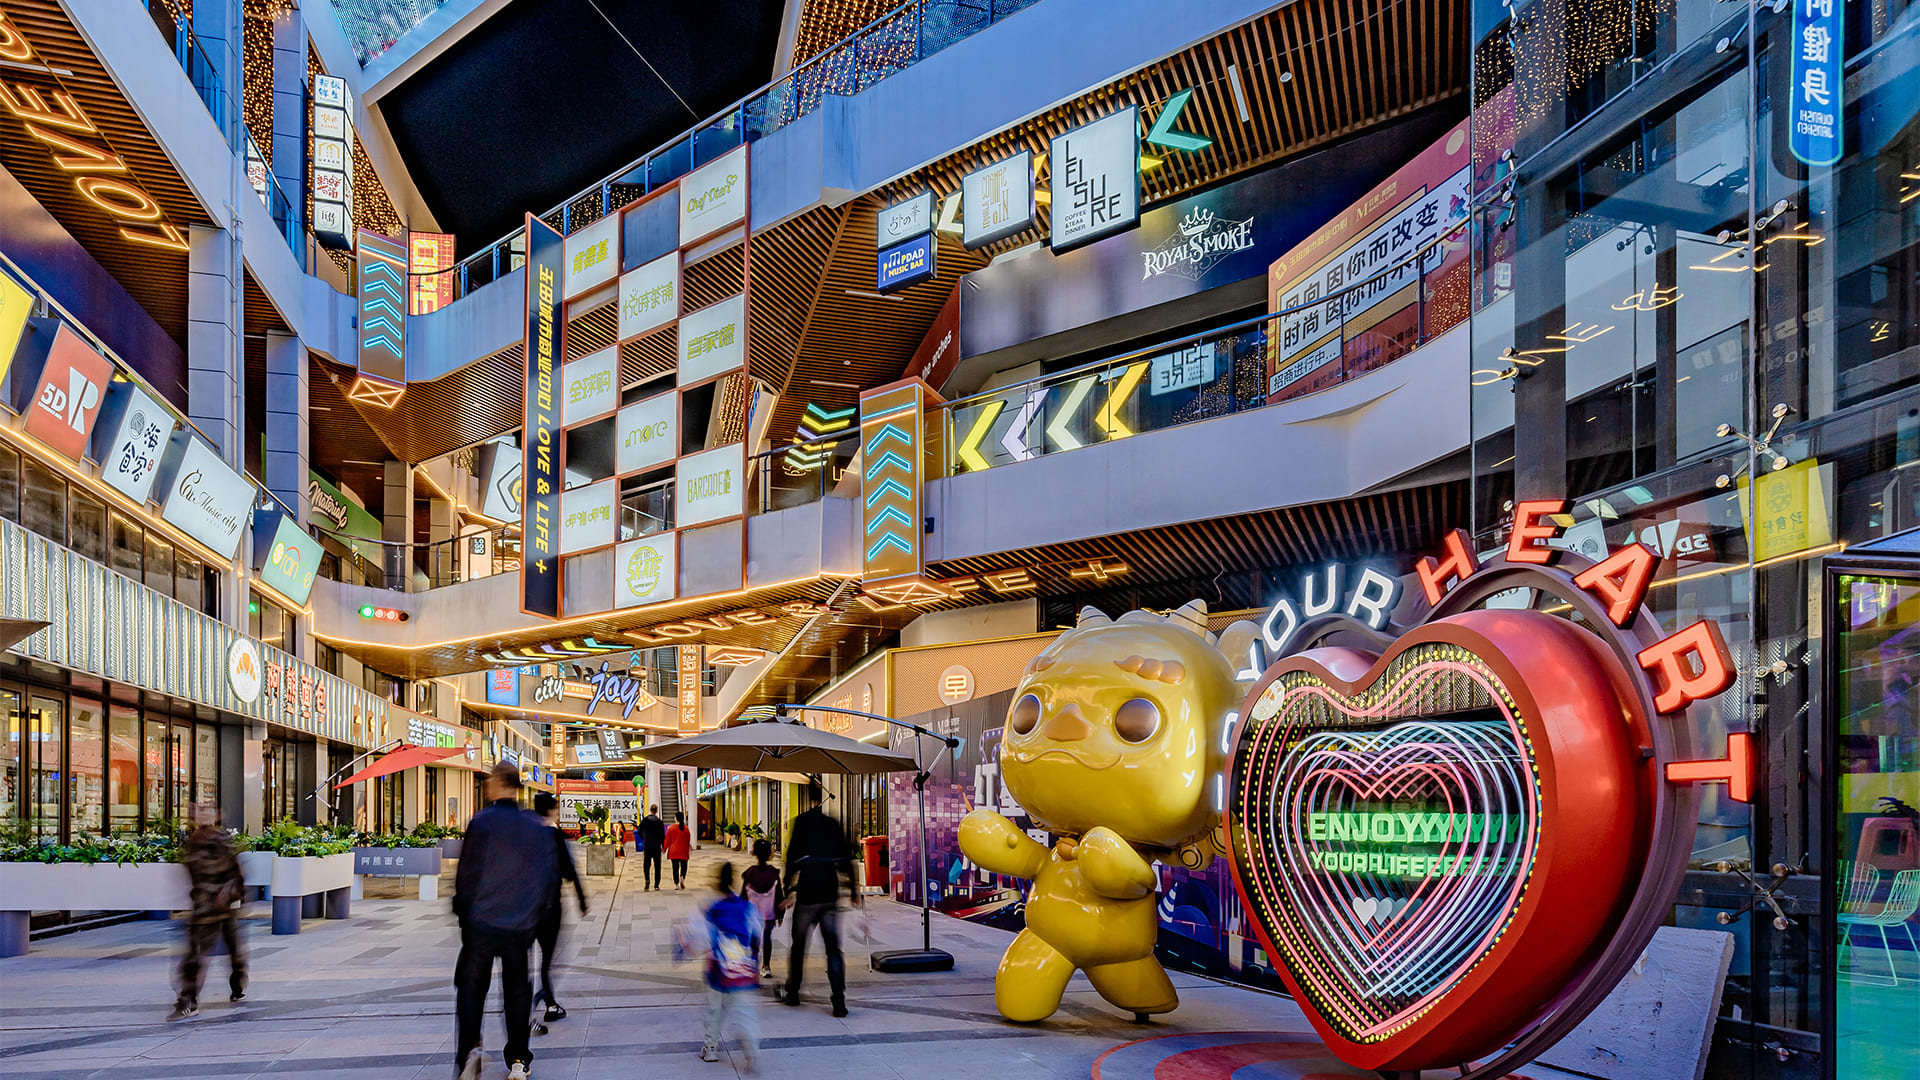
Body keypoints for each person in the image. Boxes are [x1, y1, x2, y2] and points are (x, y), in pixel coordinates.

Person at [452, 762, 557, 1080]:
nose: (487, 785)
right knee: (516, 992)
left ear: (499, 782)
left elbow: (467, 875)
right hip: (519, 925)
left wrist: (464, 914)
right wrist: (534, 916)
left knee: (471, 988)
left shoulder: (481, 822)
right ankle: (518, 1060)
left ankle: (470, 1052)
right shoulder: (533, 825)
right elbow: (544, 876)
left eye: (489, 781)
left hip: (482, 923)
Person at [782, 792, 860, 1016]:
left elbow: (791, 857)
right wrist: (853, 889)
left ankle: (793, 992)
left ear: (809, 801)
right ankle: (839, 1001)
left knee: (798, 946)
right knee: (833, 949)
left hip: (807, 894)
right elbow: (847, 857)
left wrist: (787, 889)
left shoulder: (801, 822)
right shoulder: (832, 824)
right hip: (829, 894)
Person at [170, 804, 245, 1020]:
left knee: (232, 950)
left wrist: (227, 893)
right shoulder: (193, 841)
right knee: (195, 953)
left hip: (220, 906)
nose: (201, 815)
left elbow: (236, 874)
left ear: (216, 816)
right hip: (203, 907)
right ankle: (188, 998)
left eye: (206, 811)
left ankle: (237, 984)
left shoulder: (221, 840)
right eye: (198, 812)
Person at [530, 792, 588, 1024]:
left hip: (524, 909)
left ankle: (534, 1003)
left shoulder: (524, 835)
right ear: (551, 810)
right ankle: (549, 1002)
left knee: (522, 959)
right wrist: (581, 899)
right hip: (550, 907)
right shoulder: (554, 836)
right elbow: (569, 870)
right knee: (548, 959)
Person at [698, 862, 762, 1071]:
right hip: (742, 967)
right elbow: (756, 936)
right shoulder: (747, 907)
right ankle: (752, 1051)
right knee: (744, 1012)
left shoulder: (713, 907)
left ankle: (710, 1049)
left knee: (715, 1010)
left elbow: (703, 937)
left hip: (718, 969)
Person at [741, 839, 783, 978]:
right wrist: (780, 913)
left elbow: (743, 895)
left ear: (754, 853)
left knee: (754, 938)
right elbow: (779, 895)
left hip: (752, 913)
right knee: (767, 938)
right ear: (770, 853)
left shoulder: (749, 873)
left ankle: (753, 963)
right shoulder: (774, 873)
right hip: (769, 913)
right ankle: (766, 966)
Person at [638, 805, 666, 890]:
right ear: (656, 811)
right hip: (657, 847)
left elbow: (639, 831)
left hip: (647, 846)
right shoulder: (659, 822)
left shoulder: (645, 820)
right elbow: (662, 835)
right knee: (657, 866)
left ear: (650, 810)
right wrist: (663, 845)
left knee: (646, 865)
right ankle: (656, 885)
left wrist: (644, 838)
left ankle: (647, 879)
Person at [666, 811, 692, 889]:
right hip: (683, 850)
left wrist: (664, 848)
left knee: (675, 868)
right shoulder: (686, 828)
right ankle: (682, 877)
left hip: (674, 851)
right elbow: (688, 839)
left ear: (676, 818)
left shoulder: (671, 828)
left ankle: (676, 884)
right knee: (684, 866)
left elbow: (667, 840)